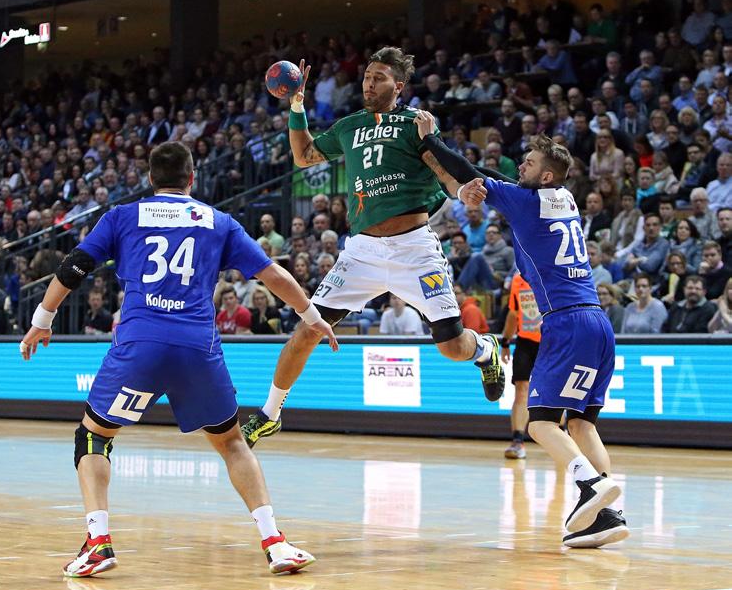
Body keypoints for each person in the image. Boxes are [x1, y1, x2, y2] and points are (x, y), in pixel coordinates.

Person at [18, 141, 340, 577]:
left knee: (93, 437)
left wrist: (42, 319)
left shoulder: (123, 216)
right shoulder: (218, 221)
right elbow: (273, 274)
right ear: (192, 178)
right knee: (231, 442)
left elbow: (75, 266)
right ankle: (274, 542)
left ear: (151, 179)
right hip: (196, 348)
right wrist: (312, 317)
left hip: (140, 347)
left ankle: (98, 543)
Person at [240, 48, 504, 448]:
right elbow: (303, 155)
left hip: (414, 249)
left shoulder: (414, 123)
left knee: (452, 347)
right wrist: (296, 106)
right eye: (366, 76)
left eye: (378, 78)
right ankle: (269, 414)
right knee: (307, 329)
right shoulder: (349, 126)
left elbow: (442, 172)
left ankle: (485, 349)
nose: (368, 83)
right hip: (362, 252)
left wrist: (461, 189)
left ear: (398, 86)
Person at [414, 118, 628, 549]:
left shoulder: (526, 203)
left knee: (541, 423)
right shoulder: (563, 197)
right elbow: (494, 176)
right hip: (598, 322)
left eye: (528, 163)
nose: (520, 167)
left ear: (545, 175)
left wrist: (430, 140)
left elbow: (472, 173)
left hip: (566, 322)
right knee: (582, 423)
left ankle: (590, 486)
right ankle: (608, 515)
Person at [499, 273, 541, 460]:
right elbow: (513, 313)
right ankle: (517, 441)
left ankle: (562, 432)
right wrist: (505, 341)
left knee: (555, 393)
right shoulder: (518, 280)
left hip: (551, 342)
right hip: (525, 342)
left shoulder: (552, 273)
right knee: (521, 390)